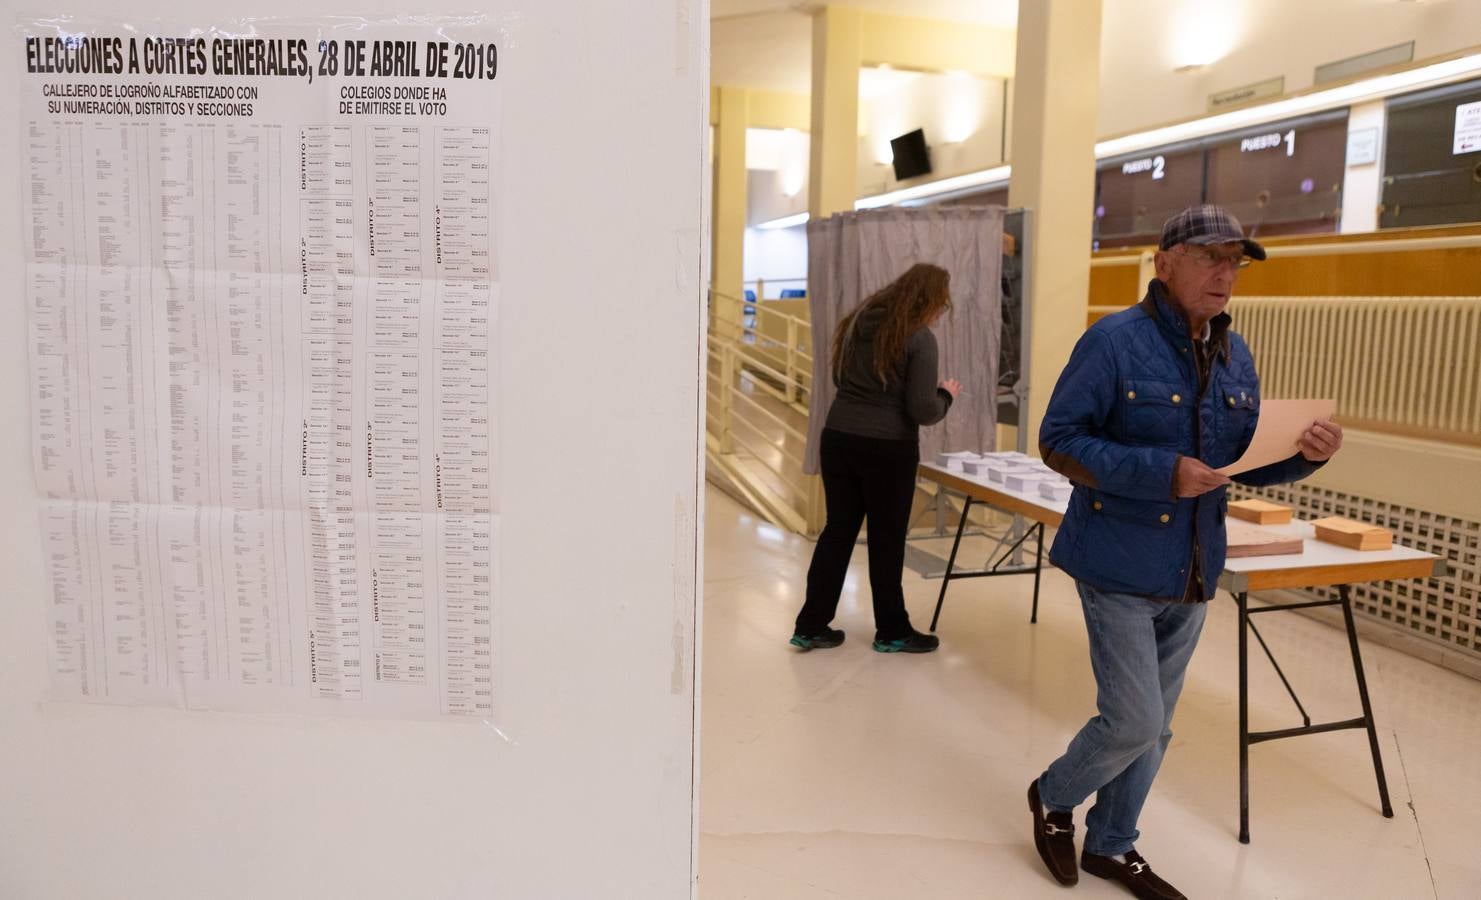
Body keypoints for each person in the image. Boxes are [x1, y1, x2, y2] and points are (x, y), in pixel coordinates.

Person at [1026, 206, 1344, 899]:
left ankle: (1112, 844)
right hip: (1114, 560)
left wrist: (1302, 458)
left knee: (1156, 729)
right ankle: (1052, 796)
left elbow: (1241, 463)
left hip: (1193, 565)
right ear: (1162, 262)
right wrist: (1159, 471)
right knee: (1133, 719)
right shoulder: (1111, 342)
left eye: (1235, 262)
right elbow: (1058, 442)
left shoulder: (1237, 354)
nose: (1225, 275)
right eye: (1210, 258)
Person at [791, 262, 962, 654]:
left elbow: (839, 380)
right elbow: (922, 409)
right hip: (888, 449)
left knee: (838, 532)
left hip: (838, 438)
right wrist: (946, 394)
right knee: (886, 539)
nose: (941, 312)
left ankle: (811, 624)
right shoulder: (918, 338)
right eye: (942, 304)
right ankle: (892, 631)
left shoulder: (856, 324)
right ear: (930, 300)